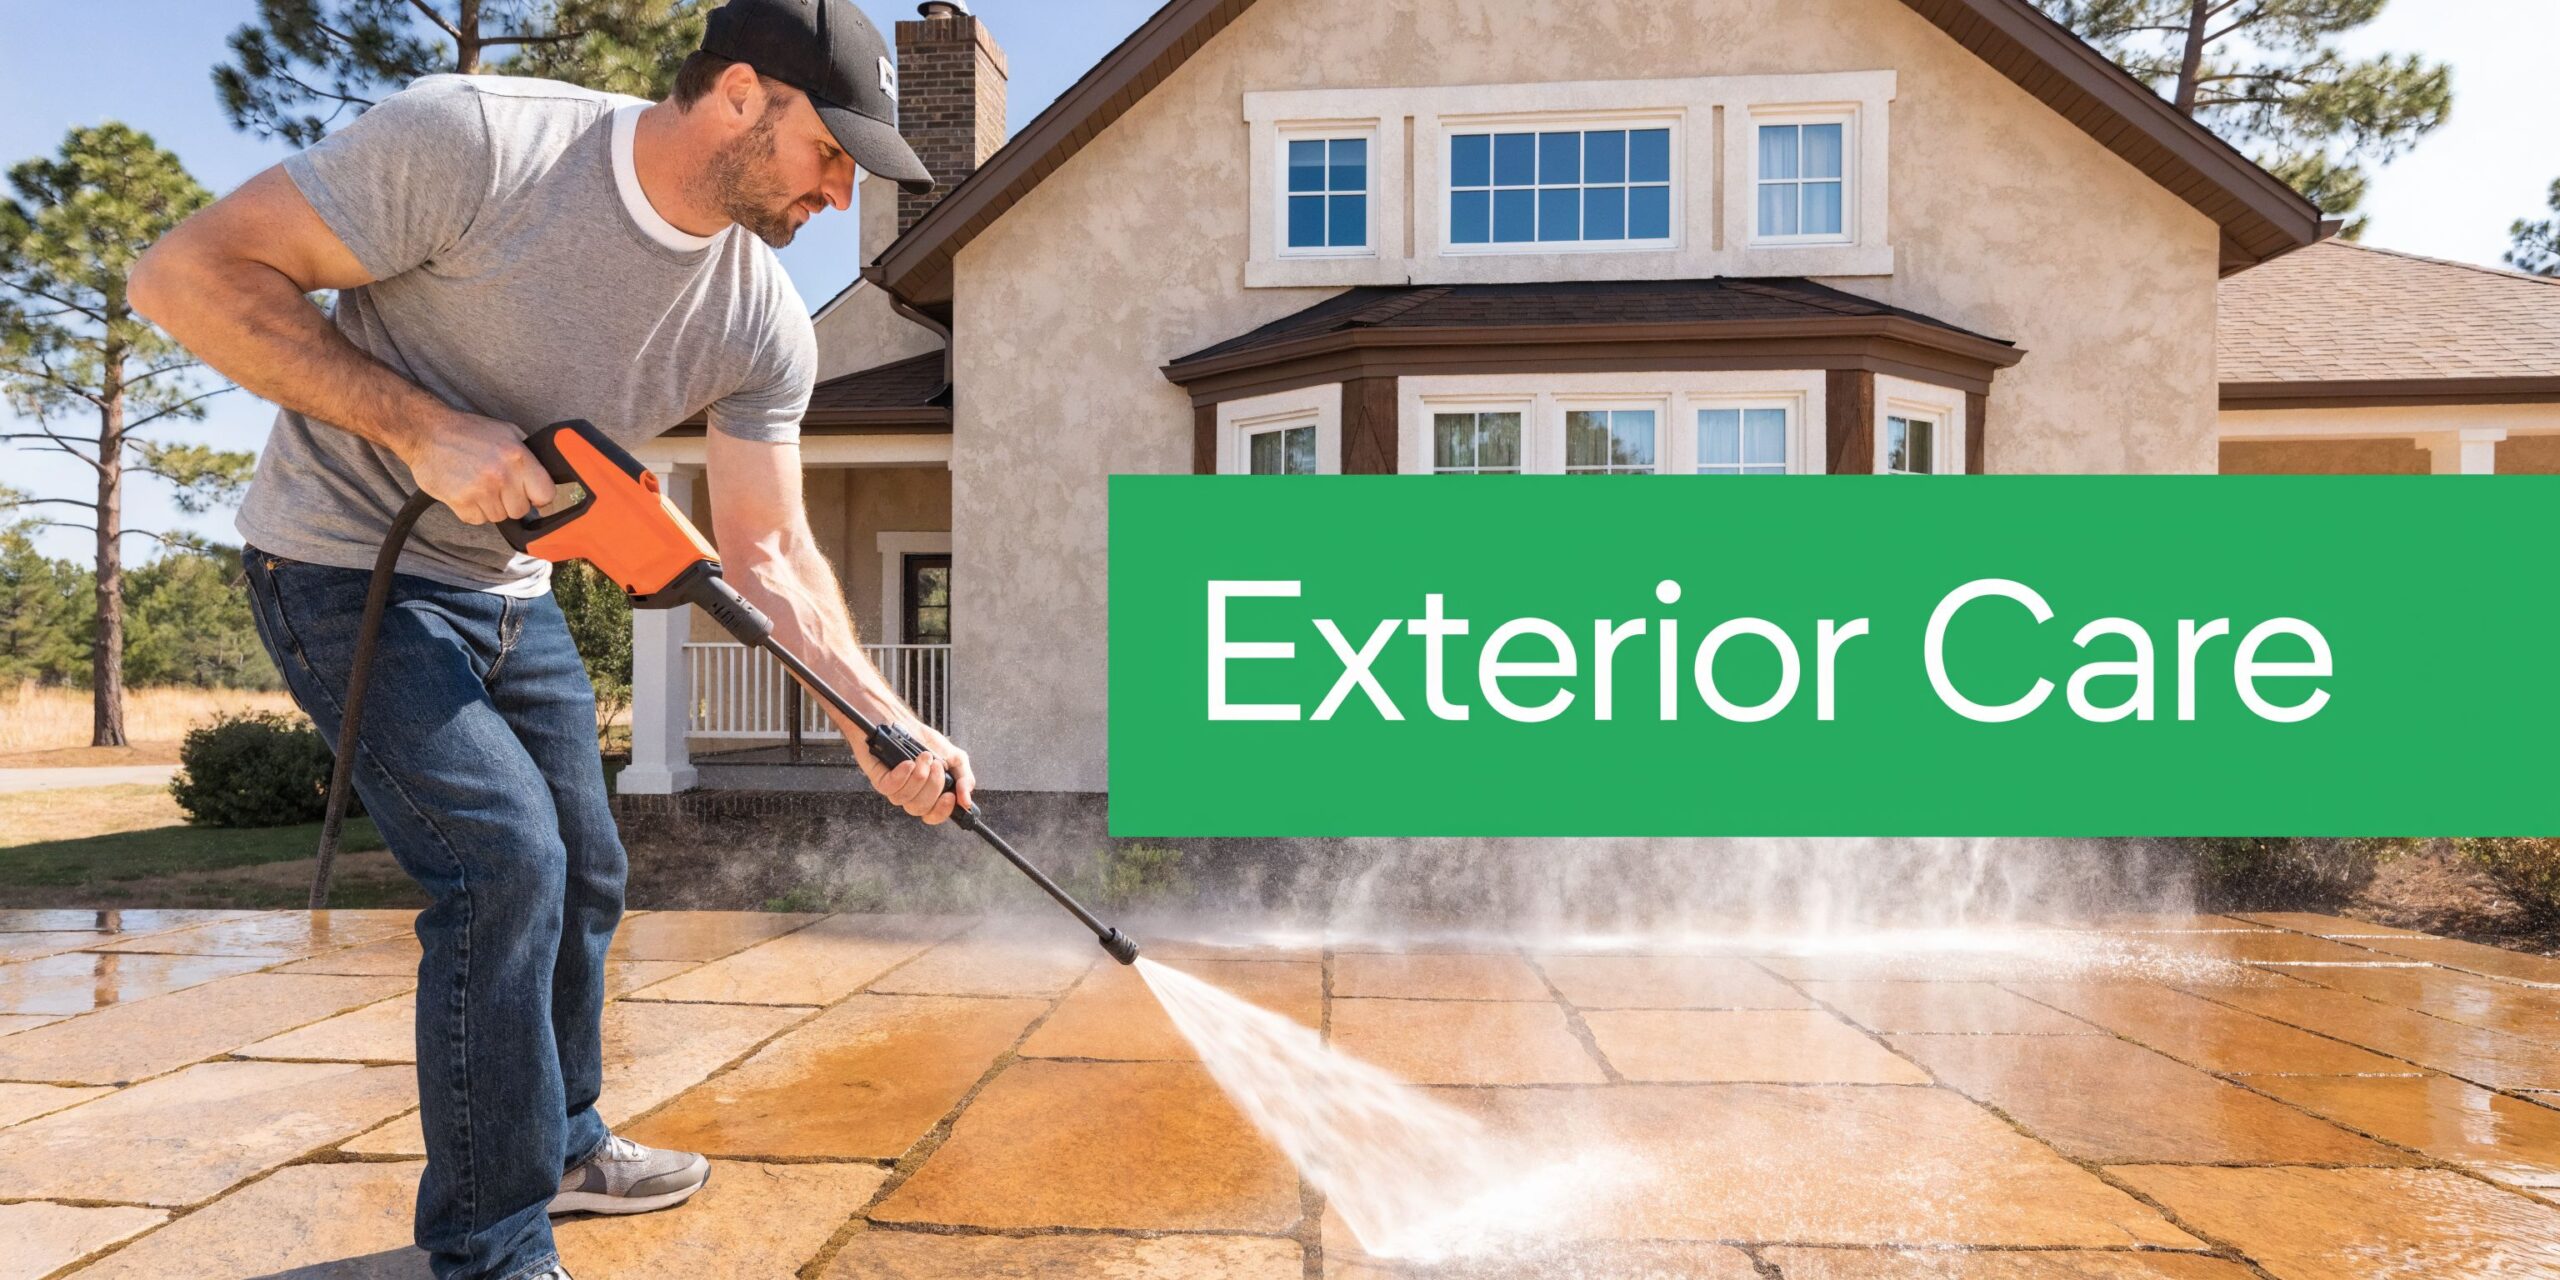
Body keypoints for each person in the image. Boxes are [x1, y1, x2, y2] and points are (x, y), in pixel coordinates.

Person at [128, 3, 965, 1276]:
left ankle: (565, 1145)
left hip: (506, 590)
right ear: (742, 95)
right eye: (832, 150)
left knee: (586, 864)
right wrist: (420, 427)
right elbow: (180, 276)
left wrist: (872, 714)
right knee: (504, 863)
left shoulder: (759, 323)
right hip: (343, 563)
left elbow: (772, 549)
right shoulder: (475, 145)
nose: (842, 191)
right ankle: (489, 1241)